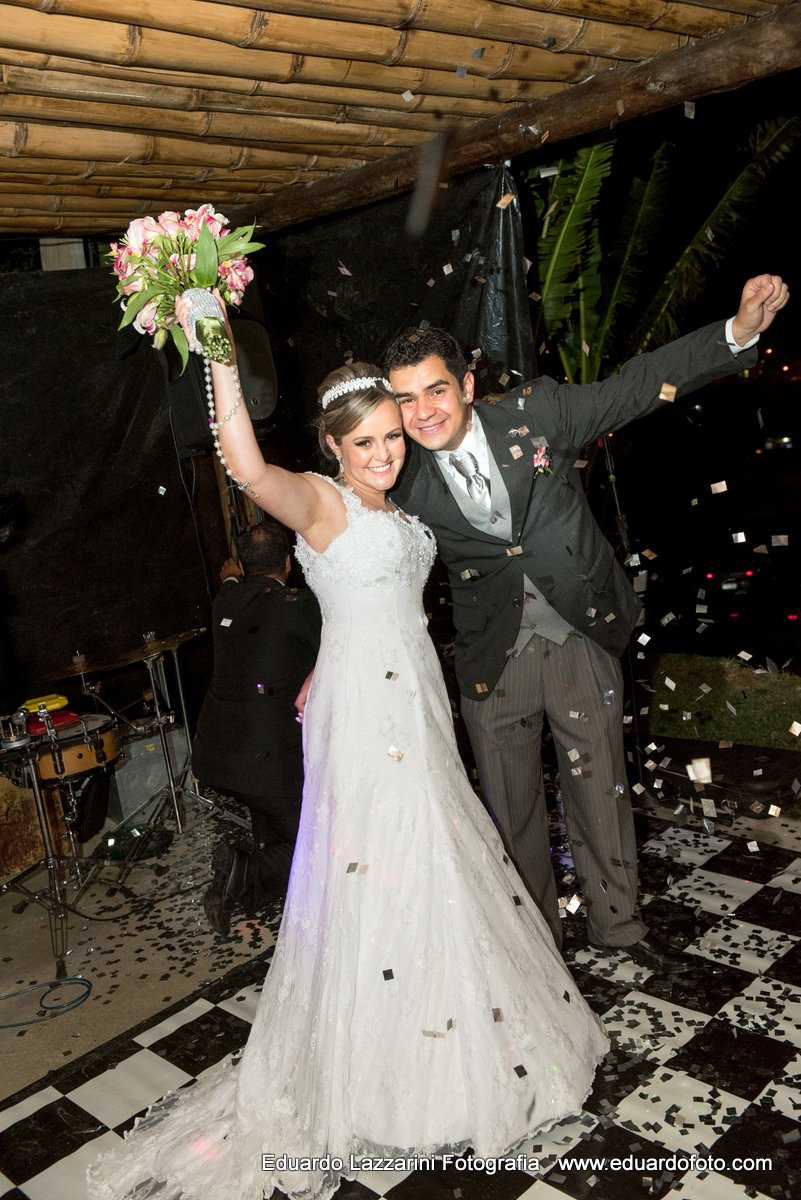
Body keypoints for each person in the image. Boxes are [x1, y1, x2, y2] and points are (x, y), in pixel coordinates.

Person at [87, 291, 608, 1200]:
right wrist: (215, 341)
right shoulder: (320, 502)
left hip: (415, 706)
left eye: (390, 438)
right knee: (377, 869)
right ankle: (383, 1065)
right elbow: (245, 465)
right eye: (363, 442)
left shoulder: (404, 512)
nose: (382, 454)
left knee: (440, 858)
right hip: (363, 723)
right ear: (332, 446)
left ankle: (450, 1034)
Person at [385, 273, 789, 975]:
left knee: (599, 788)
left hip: (577, 634)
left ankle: (617, 924)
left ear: (466, 385)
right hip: (491, 657)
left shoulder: (537, 413)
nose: (422, 411)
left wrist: (737, 331)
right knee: (510, 811)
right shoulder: (398, 473)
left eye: (435, 389)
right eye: (405, 398)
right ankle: (535, 938)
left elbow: (640, 383)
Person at [191, 522, 321, 935]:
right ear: (289, 561)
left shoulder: (224, 602)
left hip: (217, 757)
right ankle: (244, 872)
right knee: (323, 843)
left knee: (275, 815)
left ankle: (257, 891)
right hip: (267, 759)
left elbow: (231, 585)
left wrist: (231, 574)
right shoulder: (299, 605)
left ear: (245, 568)